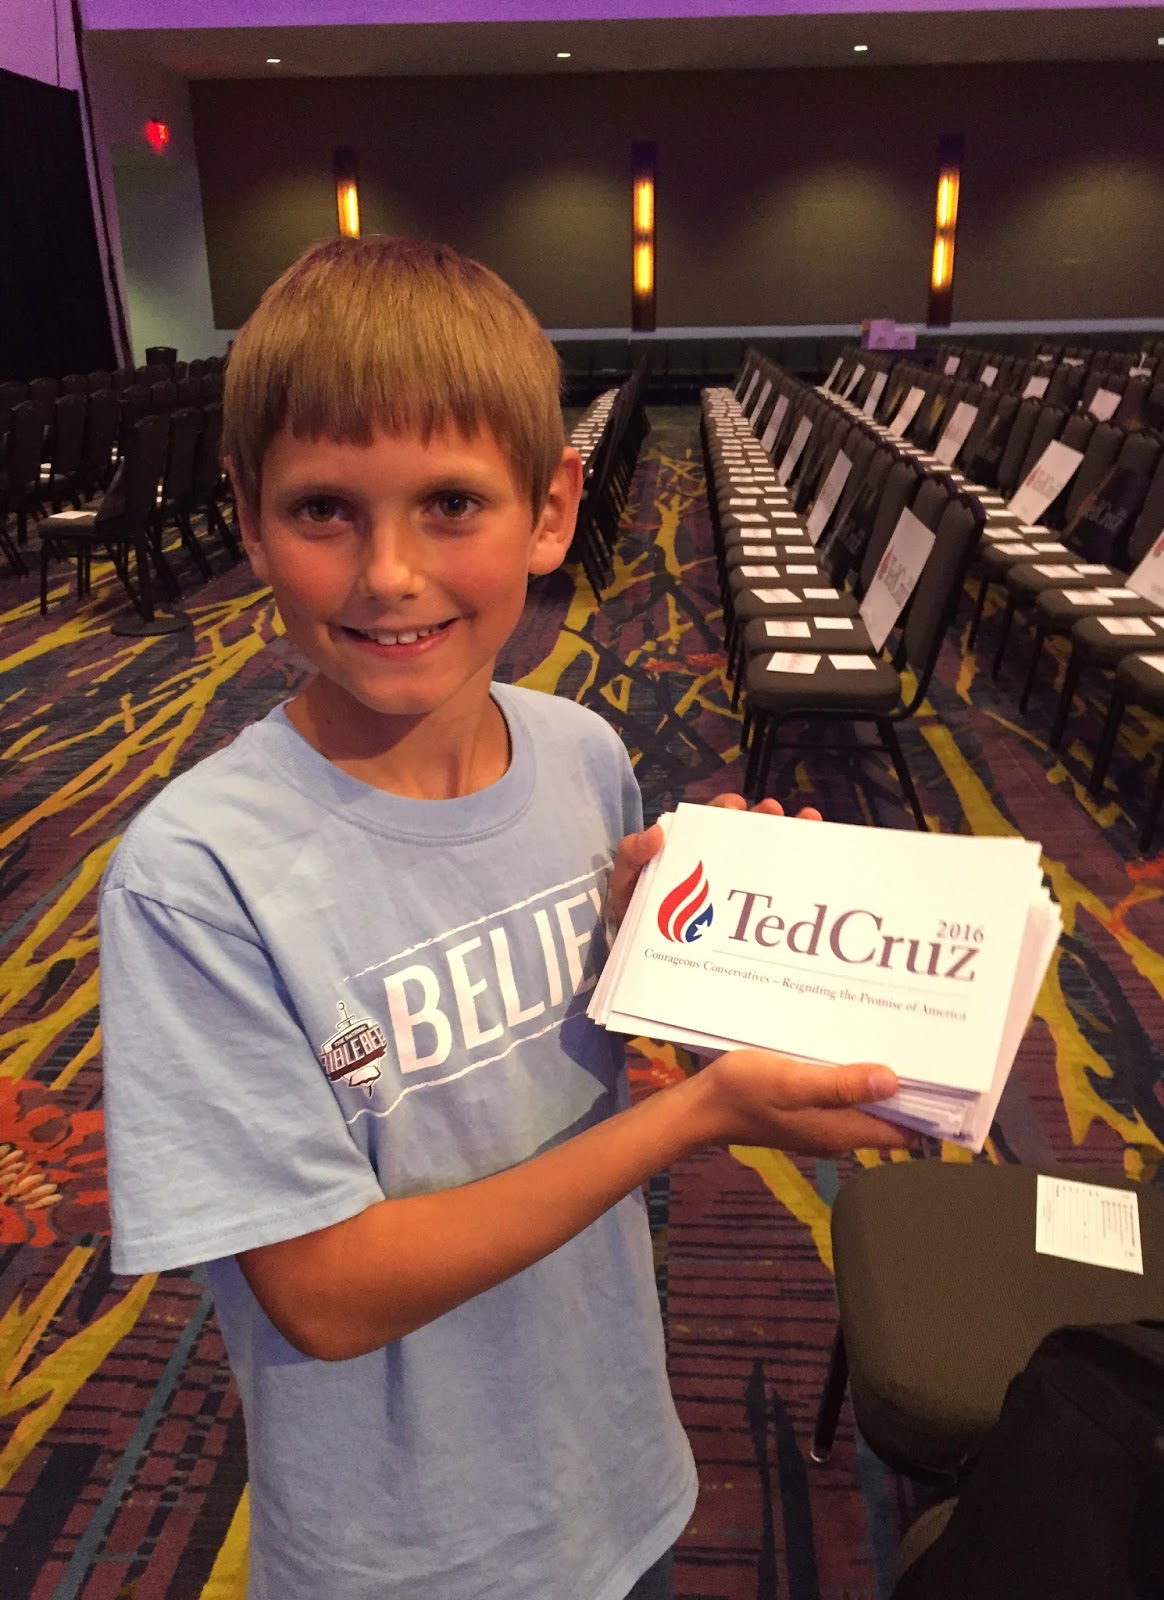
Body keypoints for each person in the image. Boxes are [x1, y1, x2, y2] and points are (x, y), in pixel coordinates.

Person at [99, 234, 910, 1600]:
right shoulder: (198, 879)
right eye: (323, 509)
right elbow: (325, 1293)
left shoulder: (583, 755)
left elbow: (610, 1049)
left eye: (451, 504)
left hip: (611, 1457)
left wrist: (732, 953)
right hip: (401, 1548)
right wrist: (695, 1119)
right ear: (245, 514)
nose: (389, 574)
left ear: (550, 509)